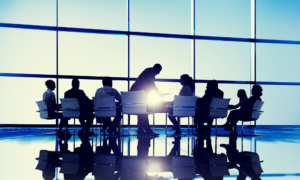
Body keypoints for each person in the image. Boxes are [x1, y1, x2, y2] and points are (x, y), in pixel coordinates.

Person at [130, 64, 162, 135]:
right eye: (159, 71)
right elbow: (151, 83)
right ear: (158, 70)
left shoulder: (148, 70)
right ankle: (147, 131)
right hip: (139, 93)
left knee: (142, 112)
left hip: (136, 93)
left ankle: (142, 130)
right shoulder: (151, 71)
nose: (159, 73)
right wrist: (158, 93)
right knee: (143, 112)